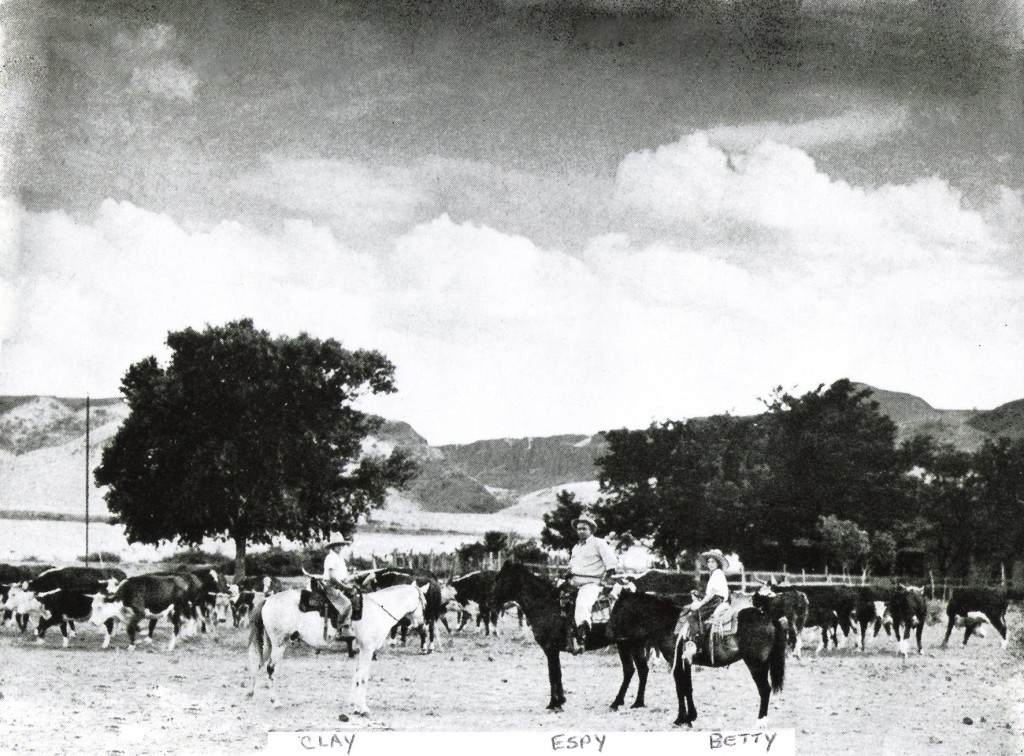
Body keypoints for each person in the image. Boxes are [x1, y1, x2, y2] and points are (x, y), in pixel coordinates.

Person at [564, 514, 618, 654]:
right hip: (573, 583)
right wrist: (567, 572)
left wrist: (607, 578)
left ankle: (582, 638)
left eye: (584, 528)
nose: (581, 531)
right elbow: (571, 566)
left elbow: (611, 564)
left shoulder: (598, 543)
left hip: (590, 584)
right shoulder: (576, 547)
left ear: (591, 530)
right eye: (579, 529)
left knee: (582, 604)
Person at [687, 548, 731, 649]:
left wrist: (700, 603)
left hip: (715, 601)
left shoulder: (717, 573)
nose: (710, 564)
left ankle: (697, 642)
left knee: (692, 616)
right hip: (715, 600)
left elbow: (712, 594)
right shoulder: (715, 574)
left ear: (718, 563)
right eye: (708, 561)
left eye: (713, 561)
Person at [320, 538, 354, 639]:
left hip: (340, 584)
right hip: (330, 586)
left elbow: (342, 575)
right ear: (333, 547)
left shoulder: (339, 558)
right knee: (347, 604)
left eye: (341, 545)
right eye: (338, 545)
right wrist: (344, 586)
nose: (340, 547)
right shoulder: (330, 557)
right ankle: (339, 630)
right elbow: (332, 576)